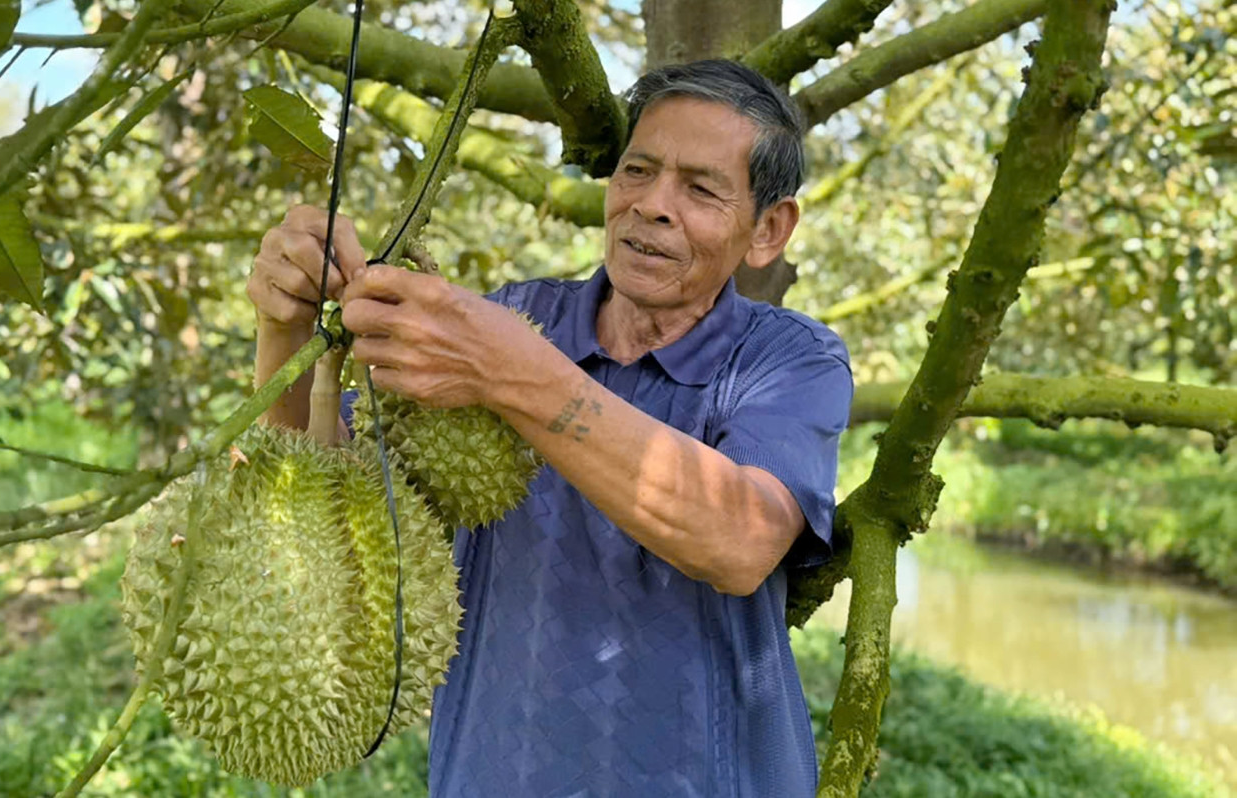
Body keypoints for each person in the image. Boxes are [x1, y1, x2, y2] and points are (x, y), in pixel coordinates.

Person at [248, 59, 853, 797]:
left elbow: (740, 540)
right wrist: (285, 331)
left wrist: (514, 374)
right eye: (637, 170)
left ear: (768, 230)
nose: (652, 206)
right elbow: (324, 482)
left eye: (699, 188)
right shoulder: (509, 321)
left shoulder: (786, 358)